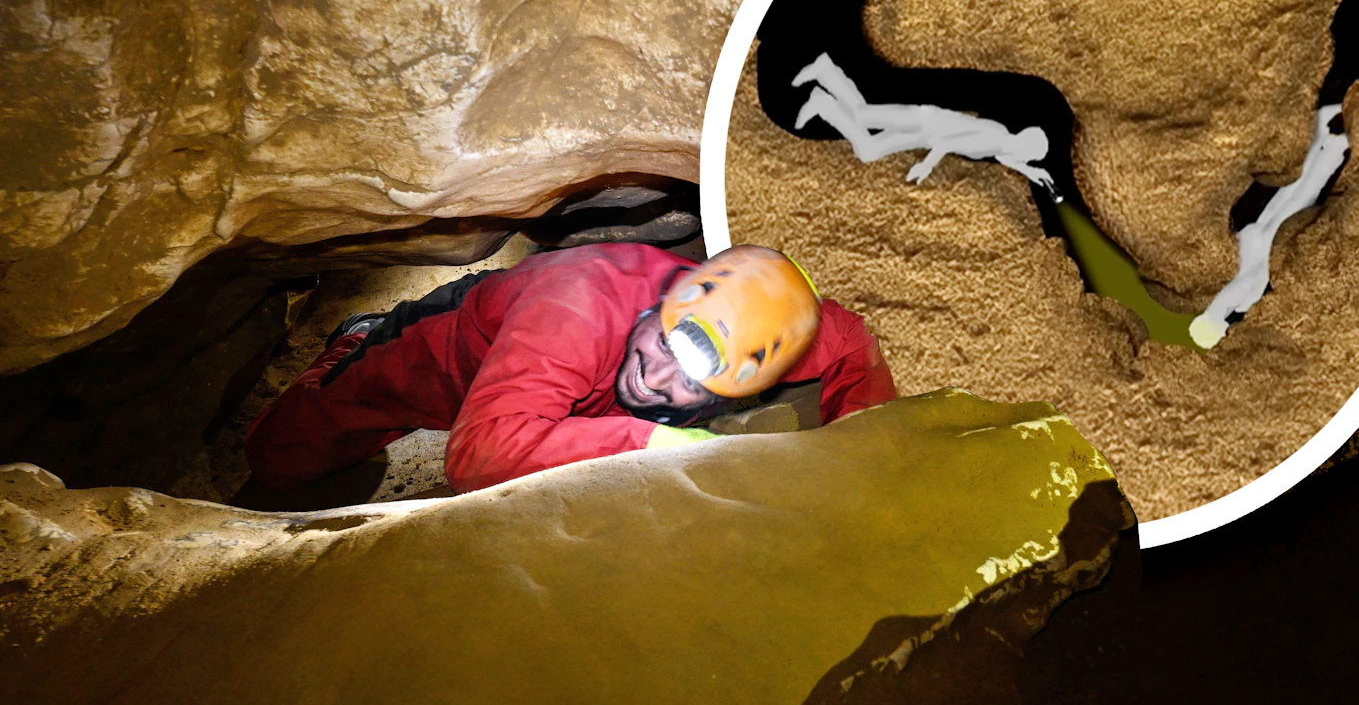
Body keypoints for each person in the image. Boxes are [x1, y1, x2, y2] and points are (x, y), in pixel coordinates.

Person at [245, 242, 896, 495]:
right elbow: (474, 455)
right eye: (669, 343)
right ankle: (357, 337)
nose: (659, 378)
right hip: (449, 357)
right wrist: (649, 438)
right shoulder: (577, 307)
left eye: (696, 382)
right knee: (280, 458)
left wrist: (865, 459)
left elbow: (850, 345)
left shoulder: (775, 326)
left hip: (567, 390)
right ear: (668, 301)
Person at [791, 53, 1057, 194]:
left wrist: (1033, 173)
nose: (1028, 160)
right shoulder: (994, 138)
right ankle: (825, 71)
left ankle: (823, 102)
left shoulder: (1002, 141)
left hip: (923, 133)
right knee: (863, 115)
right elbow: (948, 142)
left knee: (868, 148)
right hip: (923, 121)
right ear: (1024, 143)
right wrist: (925, 166)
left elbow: (1007, 158)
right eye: (1031, 156)